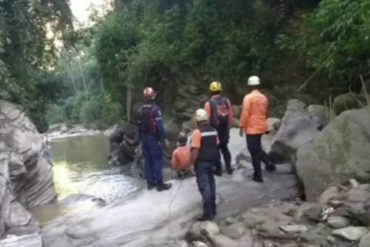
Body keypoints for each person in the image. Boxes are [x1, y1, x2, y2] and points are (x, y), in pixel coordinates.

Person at [239, 76, 276, 183]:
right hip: (261, 126)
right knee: (257, 148)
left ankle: (258, 176)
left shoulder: (248, 98)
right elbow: (264, 112)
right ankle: (269, 163)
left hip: (252, 128)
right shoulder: (264, 98)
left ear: (249, 86)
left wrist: (241, 126)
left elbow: (245, 113)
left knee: (253, 151)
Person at [137, 87, 172, 191]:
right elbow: (160, 126)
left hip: (144, 138)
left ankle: (150, 183)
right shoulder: (155, 109)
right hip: (153, 138)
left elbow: (138, 126)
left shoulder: (139, 110)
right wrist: (164, 139)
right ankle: (160, 184)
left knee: (148, 160)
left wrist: (141, 140)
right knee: (157, 160)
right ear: (152, 96)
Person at [189, 109, 219, 221]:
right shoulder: (213, 131)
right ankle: (213, 209)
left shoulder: (197, 133)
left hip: (201, 163)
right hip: (212, 161)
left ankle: (208, 213)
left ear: (196, 120)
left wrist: (191, 164)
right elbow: (216, 145)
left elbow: (195, 150)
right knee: (211, 185)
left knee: (204, 187)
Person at [204, 81, 233, 175]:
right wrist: (229, 127)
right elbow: (230, 116)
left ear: (211, 91)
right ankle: (229, 168)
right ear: (220, 90)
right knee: (225, 148)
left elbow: (207, 118)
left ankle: (218, 170)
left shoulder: (209, 104)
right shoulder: (226, 101)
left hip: (214, 130)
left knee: (215, 150)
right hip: (224, 129)